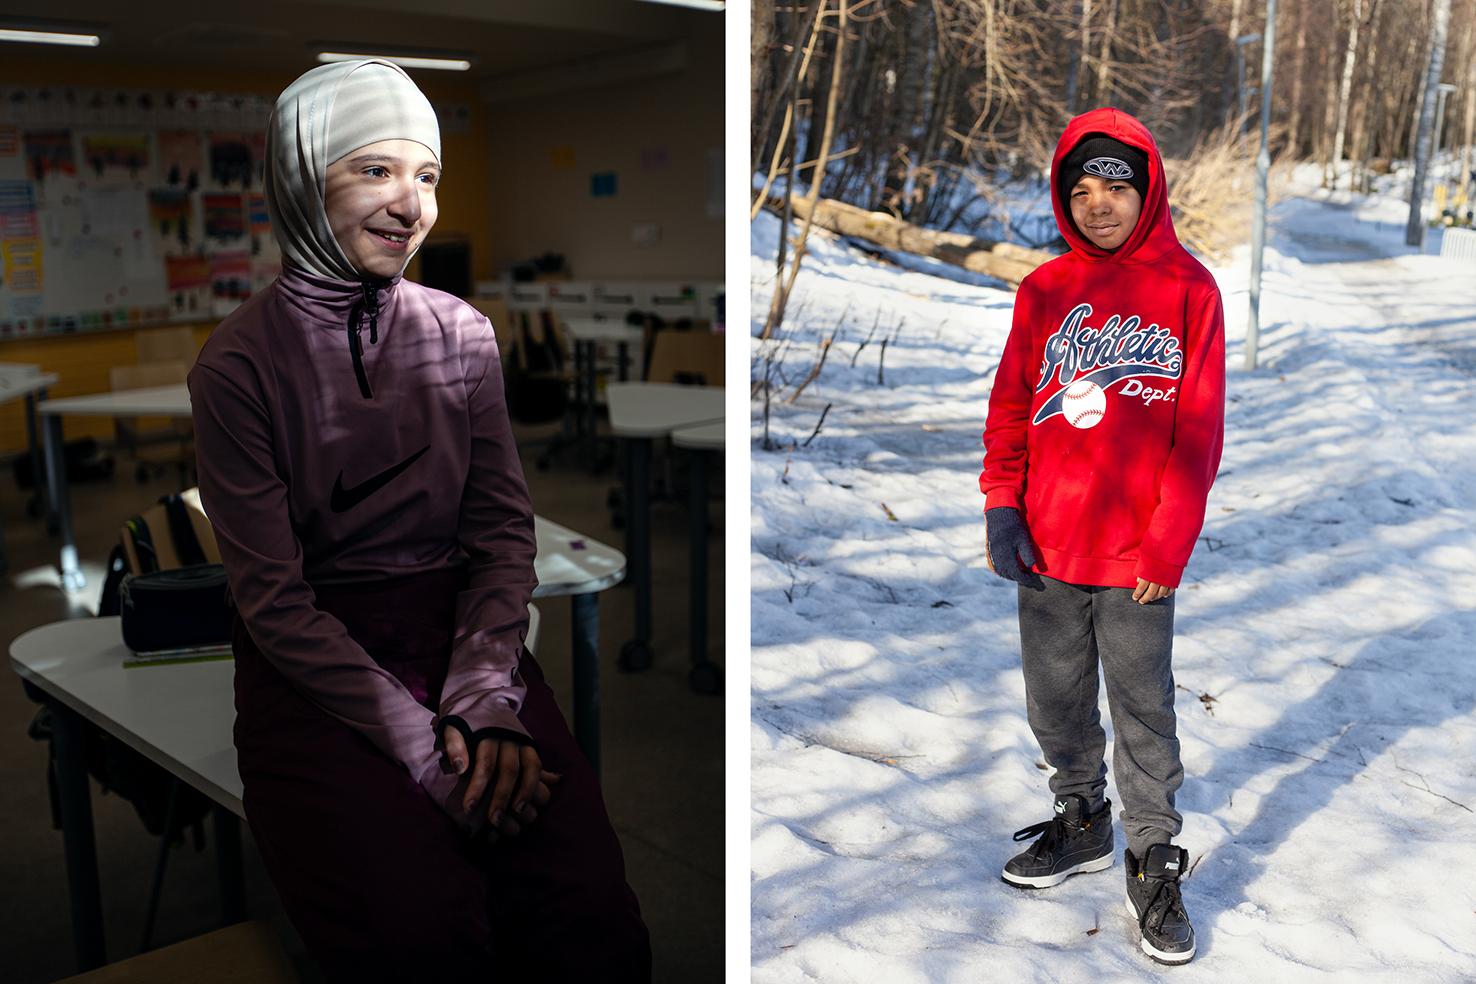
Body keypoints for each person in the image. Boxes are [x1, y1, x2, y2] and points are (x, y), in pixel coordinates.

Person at [188, 59, 650, 981]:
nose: (411, 205)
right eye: (374, 170)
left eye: (427, 175)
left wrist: (485, 696)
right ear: (299, 175)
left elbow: (502, 535)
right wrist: (423, 750)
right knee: (415, 935)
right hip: (316, 667)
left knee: (587, 915)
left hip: (467, 636)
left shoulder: (463, 334)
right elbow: (274, 603)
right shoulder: (236, 367)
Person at [979, 107, 1225, 966]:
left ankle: (1154, 857)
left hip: (1136, 559)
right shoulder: (1044, 291)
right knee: (1053, 702)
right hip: (1046, 546)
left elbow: (1198, 433)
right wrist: (1001, 505)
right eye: (1079, 189)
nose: (1097, 203)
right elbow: (1012, 406)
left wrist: (1168, 546)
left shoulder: (1189, 289)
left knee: (1144, 711)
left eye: (1114, 185)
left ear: (1146, 188)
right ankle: (1081, 818)